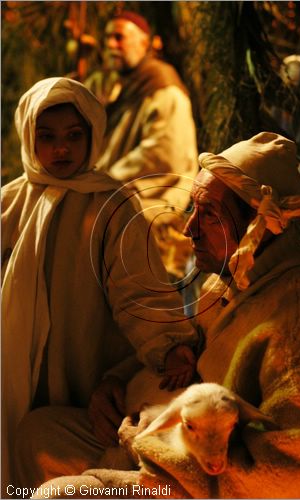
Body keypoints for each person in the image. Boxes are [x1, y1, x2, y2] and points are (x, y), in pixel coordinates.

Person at [30, 132, 300, 499]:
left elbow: (296, 461)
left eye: (209, 215)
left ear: (258, 223)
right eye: (193, 210)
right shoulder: (230, 280)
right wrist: (115, 382)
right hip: (164, 436)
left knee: (58, 495)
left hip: (204, 476)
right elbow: (186, 352)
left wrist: (149, 445)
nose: (189, 230)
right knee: (37, 434)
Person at [1, 76, 199, 495]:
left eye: (74, 136)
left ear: (93, 136)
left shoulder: (112, 204)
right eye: (47, 136)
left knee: (56, 456)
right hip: (15, 364)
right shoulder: (10, 203)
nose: (61, 149)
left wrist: (167, 344)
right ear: (27, 136)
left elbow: (138, 288)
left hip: (85, 364)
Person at [85, 10, 198, 281]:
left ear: (144, 43)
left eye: (119, 37)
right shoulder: (109, 85)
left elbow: (162, 153)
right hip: (114, 218)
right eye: (107, 38)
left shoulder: (162, 86)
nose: (110, 44)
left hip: (148, 222)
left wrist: (102, 181)